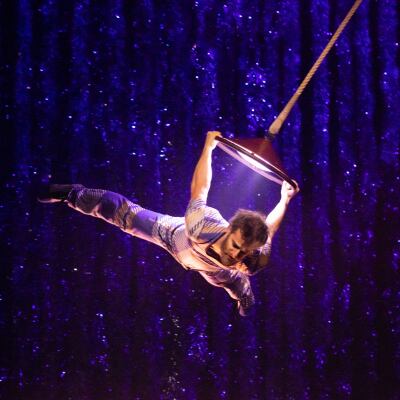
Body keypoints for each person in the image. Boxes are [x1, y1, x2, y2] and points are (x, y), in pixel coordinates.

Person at [38, 131, 299, 316]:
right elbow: (200, 189)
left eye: (245, 252)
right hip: (173, 236)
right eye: (236, 246)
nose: (236, 254)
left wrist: (284, 199)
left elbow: (270, 230)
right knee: (123, 214)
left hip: (211, 271)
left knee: (237, 284)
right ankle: (71, 194)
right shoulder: (202, 225)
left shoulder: (251, 261)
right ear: (229, 229)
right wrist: (209, 148)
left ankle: (245, 297)